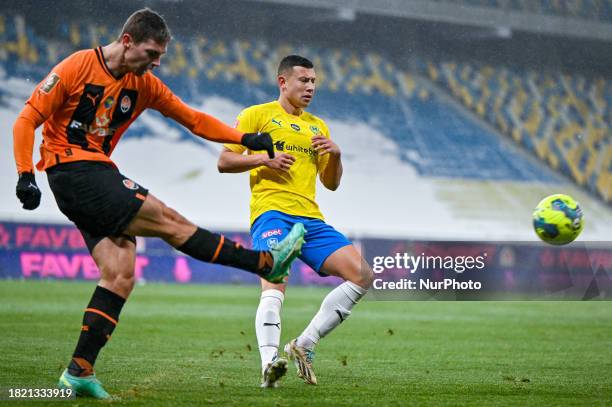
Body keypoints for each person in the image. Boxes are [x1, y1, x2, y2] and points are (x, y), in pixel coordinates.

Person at [12, 9, 306, 399]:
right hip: (74, 170)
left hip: (93, 175)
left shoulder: (144, 85)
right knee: (169, 220)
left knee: (120, 273)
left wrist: (245, 137)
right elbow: (26, 119)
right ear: (128, 40)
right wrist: (24, 173)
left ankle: (78, 371)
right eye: (152, 52)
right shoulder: (77, 66)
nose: (157, 62)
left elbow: (193, 119)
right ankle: (264, 262)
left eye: (161, 55)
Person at [218, 55, 373, 387]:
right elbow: (225, 160)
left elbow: (331, 183)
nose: (311, 87)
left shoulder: (318, 126)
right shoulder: (256, 115)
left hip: (311, 220)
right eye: (304, 80)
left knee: (362, 275)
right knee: (275, 286)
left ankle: (304, 344)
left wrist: (336, 155)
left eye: (314, 81)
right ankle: (269, 364)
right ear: (283, 82)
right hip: (272, 214)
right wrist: (264, 159)